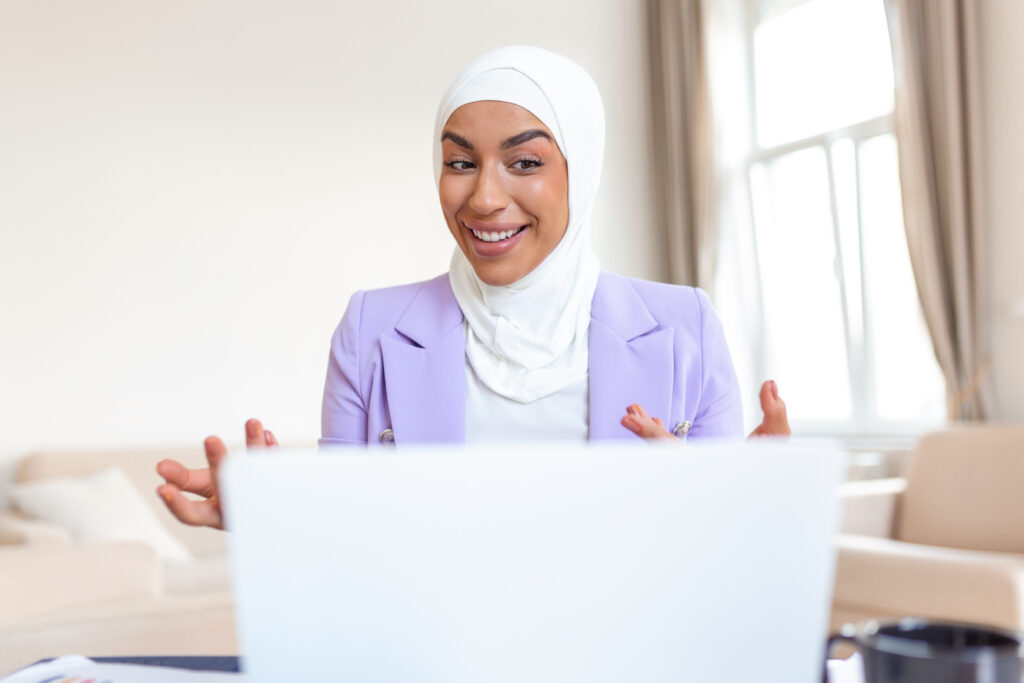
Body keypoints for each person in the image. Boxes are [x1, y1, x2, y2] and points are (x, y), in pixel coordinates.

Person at [156, 46, 790, 530]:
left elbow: (717, 575)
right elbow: (352, 549)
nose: (484, 198)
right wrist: (273, 520)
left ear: (582, 171)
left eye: (525, 162)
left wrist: (748, 508)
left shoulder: (685, 328)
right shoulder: (371, 331)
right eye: (460, 162)